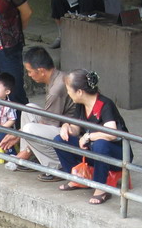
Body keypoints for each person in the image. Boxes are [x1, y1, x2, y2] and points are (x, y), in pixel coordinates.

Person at [53, 69, 130, 205]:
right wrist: (66, 127)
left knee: (101, 143)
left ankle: (101, 188)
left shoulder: (105, 104)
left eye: (69, 90)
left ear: (79, 92)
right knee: (59, 140)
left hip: (116, 155)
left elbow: (112, 133)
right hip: (93, 150)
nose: (68, 93)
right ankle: (77, 177)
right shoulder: (80, 105)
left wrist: (89, 136)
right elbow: (76, 129)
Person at [0, 47, 75, 174]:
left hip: (71, 131)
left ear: (41, 71)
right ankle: (26, 154)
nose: (29, 75)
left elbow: (48, 123)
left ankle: (57, 167)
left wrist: (18, 134)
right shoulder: (58, 77)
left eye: (29, 71)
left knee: (29, 129)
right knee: (29, 109)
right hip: (60, 124)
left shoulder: (56, 89)